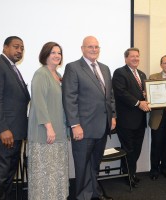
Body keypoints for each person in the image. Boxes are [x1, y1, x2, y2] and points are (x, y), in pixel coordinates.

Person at [62, 36, 116, 200]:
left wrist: (113, 116)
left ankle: (94, 194)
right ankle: (83, 197)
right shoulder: (73, 68)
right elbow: (69, 98)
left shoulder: (105, 68)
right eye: (90, 47)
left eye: (96, 47)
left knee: (94, 164)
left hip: (102, 126)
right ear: (82, 48)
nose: (94, 50)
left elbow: (110, 95)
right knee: (83, 166)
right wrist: (75, 125)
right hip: (83, 128)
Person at [0, 36, 30, 200]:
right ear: (5, 47)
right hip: (1, 135)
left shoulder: (12, 68)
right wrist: (3, 128)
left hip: (14, 135)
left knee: (7, 179)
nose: (19, 51)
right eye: (16, 47)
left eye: (22, 48)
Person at [27, 42, 69, 200]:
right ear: (45, 55)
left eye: (59, 53)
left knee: (57, 173)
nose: (57, 55)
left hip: (59, 131)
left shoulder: (58, 75)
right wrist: (49, 128)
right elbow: (39, 103)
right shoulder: (41, 74)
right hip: (44, 133)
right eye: (53, 52)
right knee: (45, 175)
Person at [112, 48, 150, 188]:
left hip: (140, 120)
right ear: (126, 58)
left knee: (137, 148)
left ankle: (131, 173)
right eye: (132, 56)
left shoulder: (142, 74)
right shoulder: (120, 73)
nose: (135, 58)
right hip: (126, 120)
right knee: (128, 149)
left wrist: (147, 96)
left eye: (137, 56)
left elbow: (142, 93)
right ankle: (128, 175)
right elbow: (121, 93)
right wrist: (138, 102)